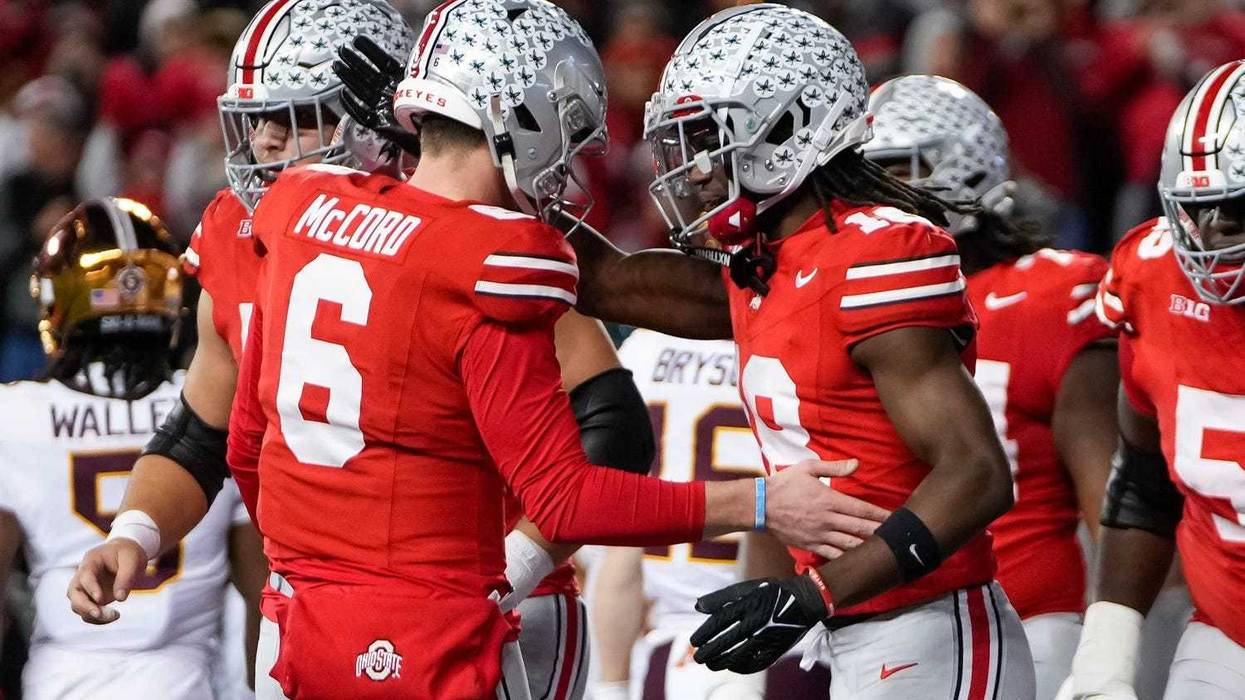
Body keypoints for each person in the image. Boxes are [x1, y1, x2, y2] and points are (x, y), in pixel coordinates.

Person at [78, 2, 880, 698]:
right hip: (332, 601)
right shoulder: (262, 225)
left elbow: (614, 421)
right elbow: (206, 434)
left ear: (376, 117)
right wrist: (137, 533)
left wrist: (510, 569)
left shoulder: (384, 223)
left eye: (299, 120)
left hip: (460, 596)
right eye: (260, 123)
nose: (271, 149)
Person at [553, 5, 1034, 698]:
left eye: (707, 140)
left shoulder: (875, 251)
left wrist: (810, 595)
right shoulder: (768, 268)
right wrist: (482, 159)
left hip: (932, 628)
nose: (692, 170)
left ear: (785, 128)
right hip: (860, 635)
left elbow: (977, 476)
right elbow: (603, 280)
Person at [860, 74, 1119, 700]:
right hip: (879, 613)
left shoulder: (1050, 296)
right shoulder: (853, 296)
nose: (879, 197)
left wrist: (1114, 649)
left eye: (899, 171)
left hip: (1030, 617)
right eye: (866, 178)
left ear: (966, 167)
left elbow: (1112, 498)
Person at [0, 198, 265, 699]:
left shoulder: (17, 416)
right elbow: (261, 589)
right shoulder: (210, 404)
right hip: (186, 683)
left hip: (64, 682)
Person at [1059, 59, 1245, 700]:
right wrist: (1105, 658)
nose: (1214, 236)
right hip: (1229, 632)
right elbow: (1144, 478)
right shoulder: (1152, 277)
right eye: (1201, 210)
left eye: (1238, 211)